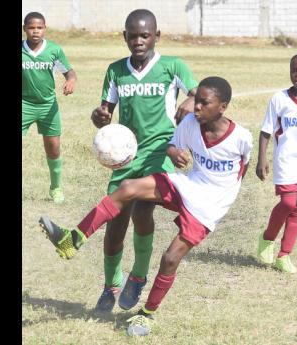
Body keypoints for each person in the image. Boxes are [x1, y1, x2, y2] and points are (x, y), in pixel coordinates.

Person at [39, 76, 253, 336]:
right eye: (196, 101)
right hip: (190, 184)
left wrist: (227, 191)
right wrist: (173, 152)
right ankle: (72, 241)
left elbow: (244, 166)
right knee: (128, 187)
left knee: (170, 258)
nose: (196, 107)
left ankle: (146, 315)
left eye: (204, 103)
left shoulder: (241, 137)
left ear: (223, 106)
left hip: (212, 203)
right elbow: (174, 145)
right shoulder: (189, 123)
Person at [56, 9, 197, 313]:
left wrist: (191, 98)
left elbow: (200, 95)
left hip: (160, 153)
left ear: (156, 36)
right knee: (115, 225)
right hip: (126, 156)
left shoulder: (173, 67)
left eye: (144, 35)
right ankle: (110, 286)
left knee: (143, 212)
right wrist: (99, 116)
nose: (138, 41)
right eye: (132, 35)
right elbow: (104, 113)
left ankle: (138, 276)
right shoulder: (116, 70)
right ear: (124, 37)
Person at [255, 53, 297, 273]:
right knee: (288, 203)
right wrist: (262, 158)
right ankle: (268, 238)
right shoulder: (280, 98)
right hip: (286, 160)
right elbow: (266, 130)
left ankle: (284, 255)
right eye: (294, 70)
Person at [22, 11, 77, 203]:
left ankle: (56, 188)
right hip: (24, 104)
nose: (35, 31)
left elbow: (70, 73)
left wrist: (71, 81)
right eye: (31, 27)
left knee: (53, 148)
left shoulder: (53, 50)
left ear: (44, 29)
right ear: (24, 29)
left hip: (48, 105)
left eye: (39, 27)